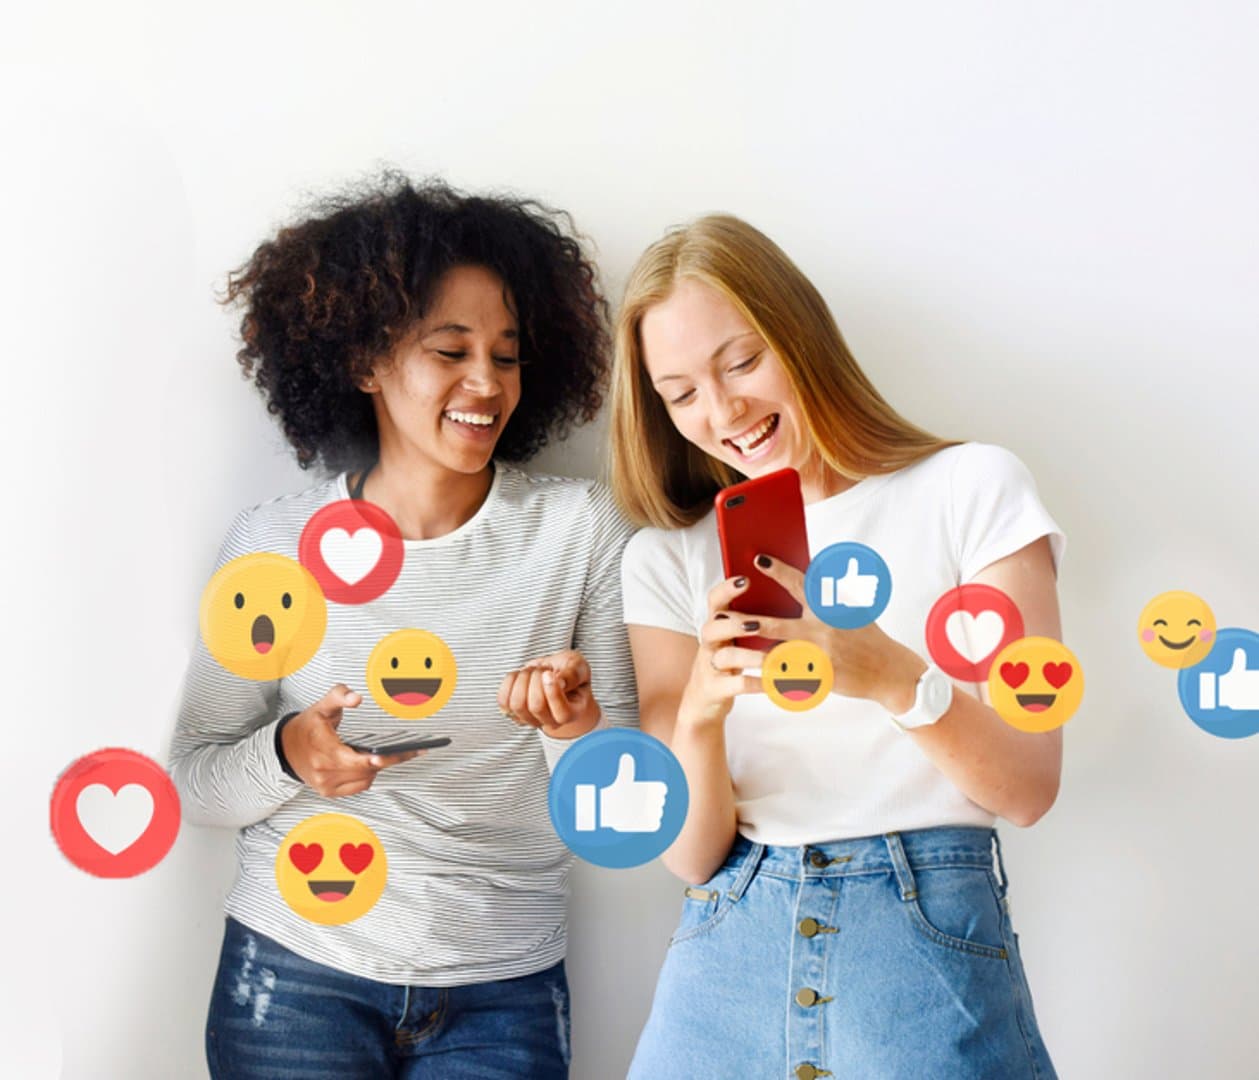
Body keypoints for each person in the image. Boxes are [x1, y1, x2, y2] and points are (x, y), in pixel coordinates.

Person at [170, 175, 636, 1080]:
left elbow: (616, 825)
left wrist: (572, 729)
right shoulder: (275, 547)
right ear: (364, 362)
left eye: (506, 355)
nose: (485, 384)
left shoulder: (583, 532)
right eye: (449, 350)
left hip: (503, 992)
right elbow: (193, 782)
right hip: (295, 975)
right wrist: (289, 755)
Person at [609, 214, 1061, 1078]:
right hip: (726, 948)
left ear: (799, 333)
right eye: (681, 393)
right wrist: (700, 709)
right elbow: (691, 854)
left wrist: (893, 677)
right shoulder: (666, 561)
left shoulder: (972, 490)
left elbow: (1030, 785)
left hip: (921, 942)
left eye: (740, 361)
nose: (723, 409)